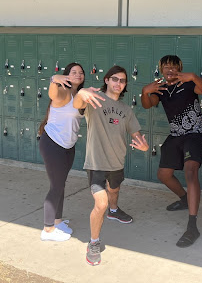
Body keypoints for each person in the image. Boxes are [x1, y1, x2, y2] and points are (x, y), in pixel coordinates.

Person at [74, 65, 149, 266]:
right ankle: (94, 243)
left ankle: (114, 212)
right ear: (106, 80)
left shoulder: (126, 110)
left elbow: (136, 135)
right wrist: (81, 92)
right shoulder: (94, 100)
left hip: (117, 161)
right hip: (96, 163)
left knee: (113, 191)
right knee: (101, 203)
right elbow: (77, 104)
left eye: (122, 80)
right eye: (115, 79)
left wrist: (143, 145)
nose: (118, 83)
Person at [141, 55, 202, 248]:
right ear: (161, 69)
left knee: (190, 172)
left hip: (194, 133)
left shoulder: (187, 83)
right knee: (163, 174)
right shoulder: (161, 89)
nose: (170, 70)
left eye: (173, 67)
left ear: (180, 68)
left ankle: (192, 225)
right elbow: (148, 104)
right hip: (176, 134)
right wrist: (145, 91)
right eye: (166, 67)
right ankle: (185, 199)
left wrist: (194, 77)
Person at [39, 63, 87, 242]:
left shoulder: (78, 95)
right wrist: (54, 80)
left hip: (68, 146)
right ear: (66, 75)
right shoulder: (63, 92)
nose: (78, 74)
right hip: (53, 143)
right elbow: (53, 94)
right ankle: (48, 229)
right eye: (73, 72)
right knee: (56, 186)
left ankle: (57, 221)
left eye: (81, 72)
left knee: (60, 184)